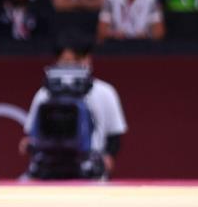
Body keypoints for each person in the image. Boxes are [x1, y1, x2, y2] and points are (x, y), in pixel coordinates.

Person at [20, 34, 127, 178]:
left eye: (77, 60)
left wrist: (108, 157)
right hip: (51, 168)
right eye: (66, 61)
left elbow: (115, 134)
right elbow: (33, 133)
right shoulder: (44, 94)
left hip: (90, 168)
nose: (71, 66)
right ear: (57, 60)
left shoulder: (105, 92)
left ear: (88, 59)